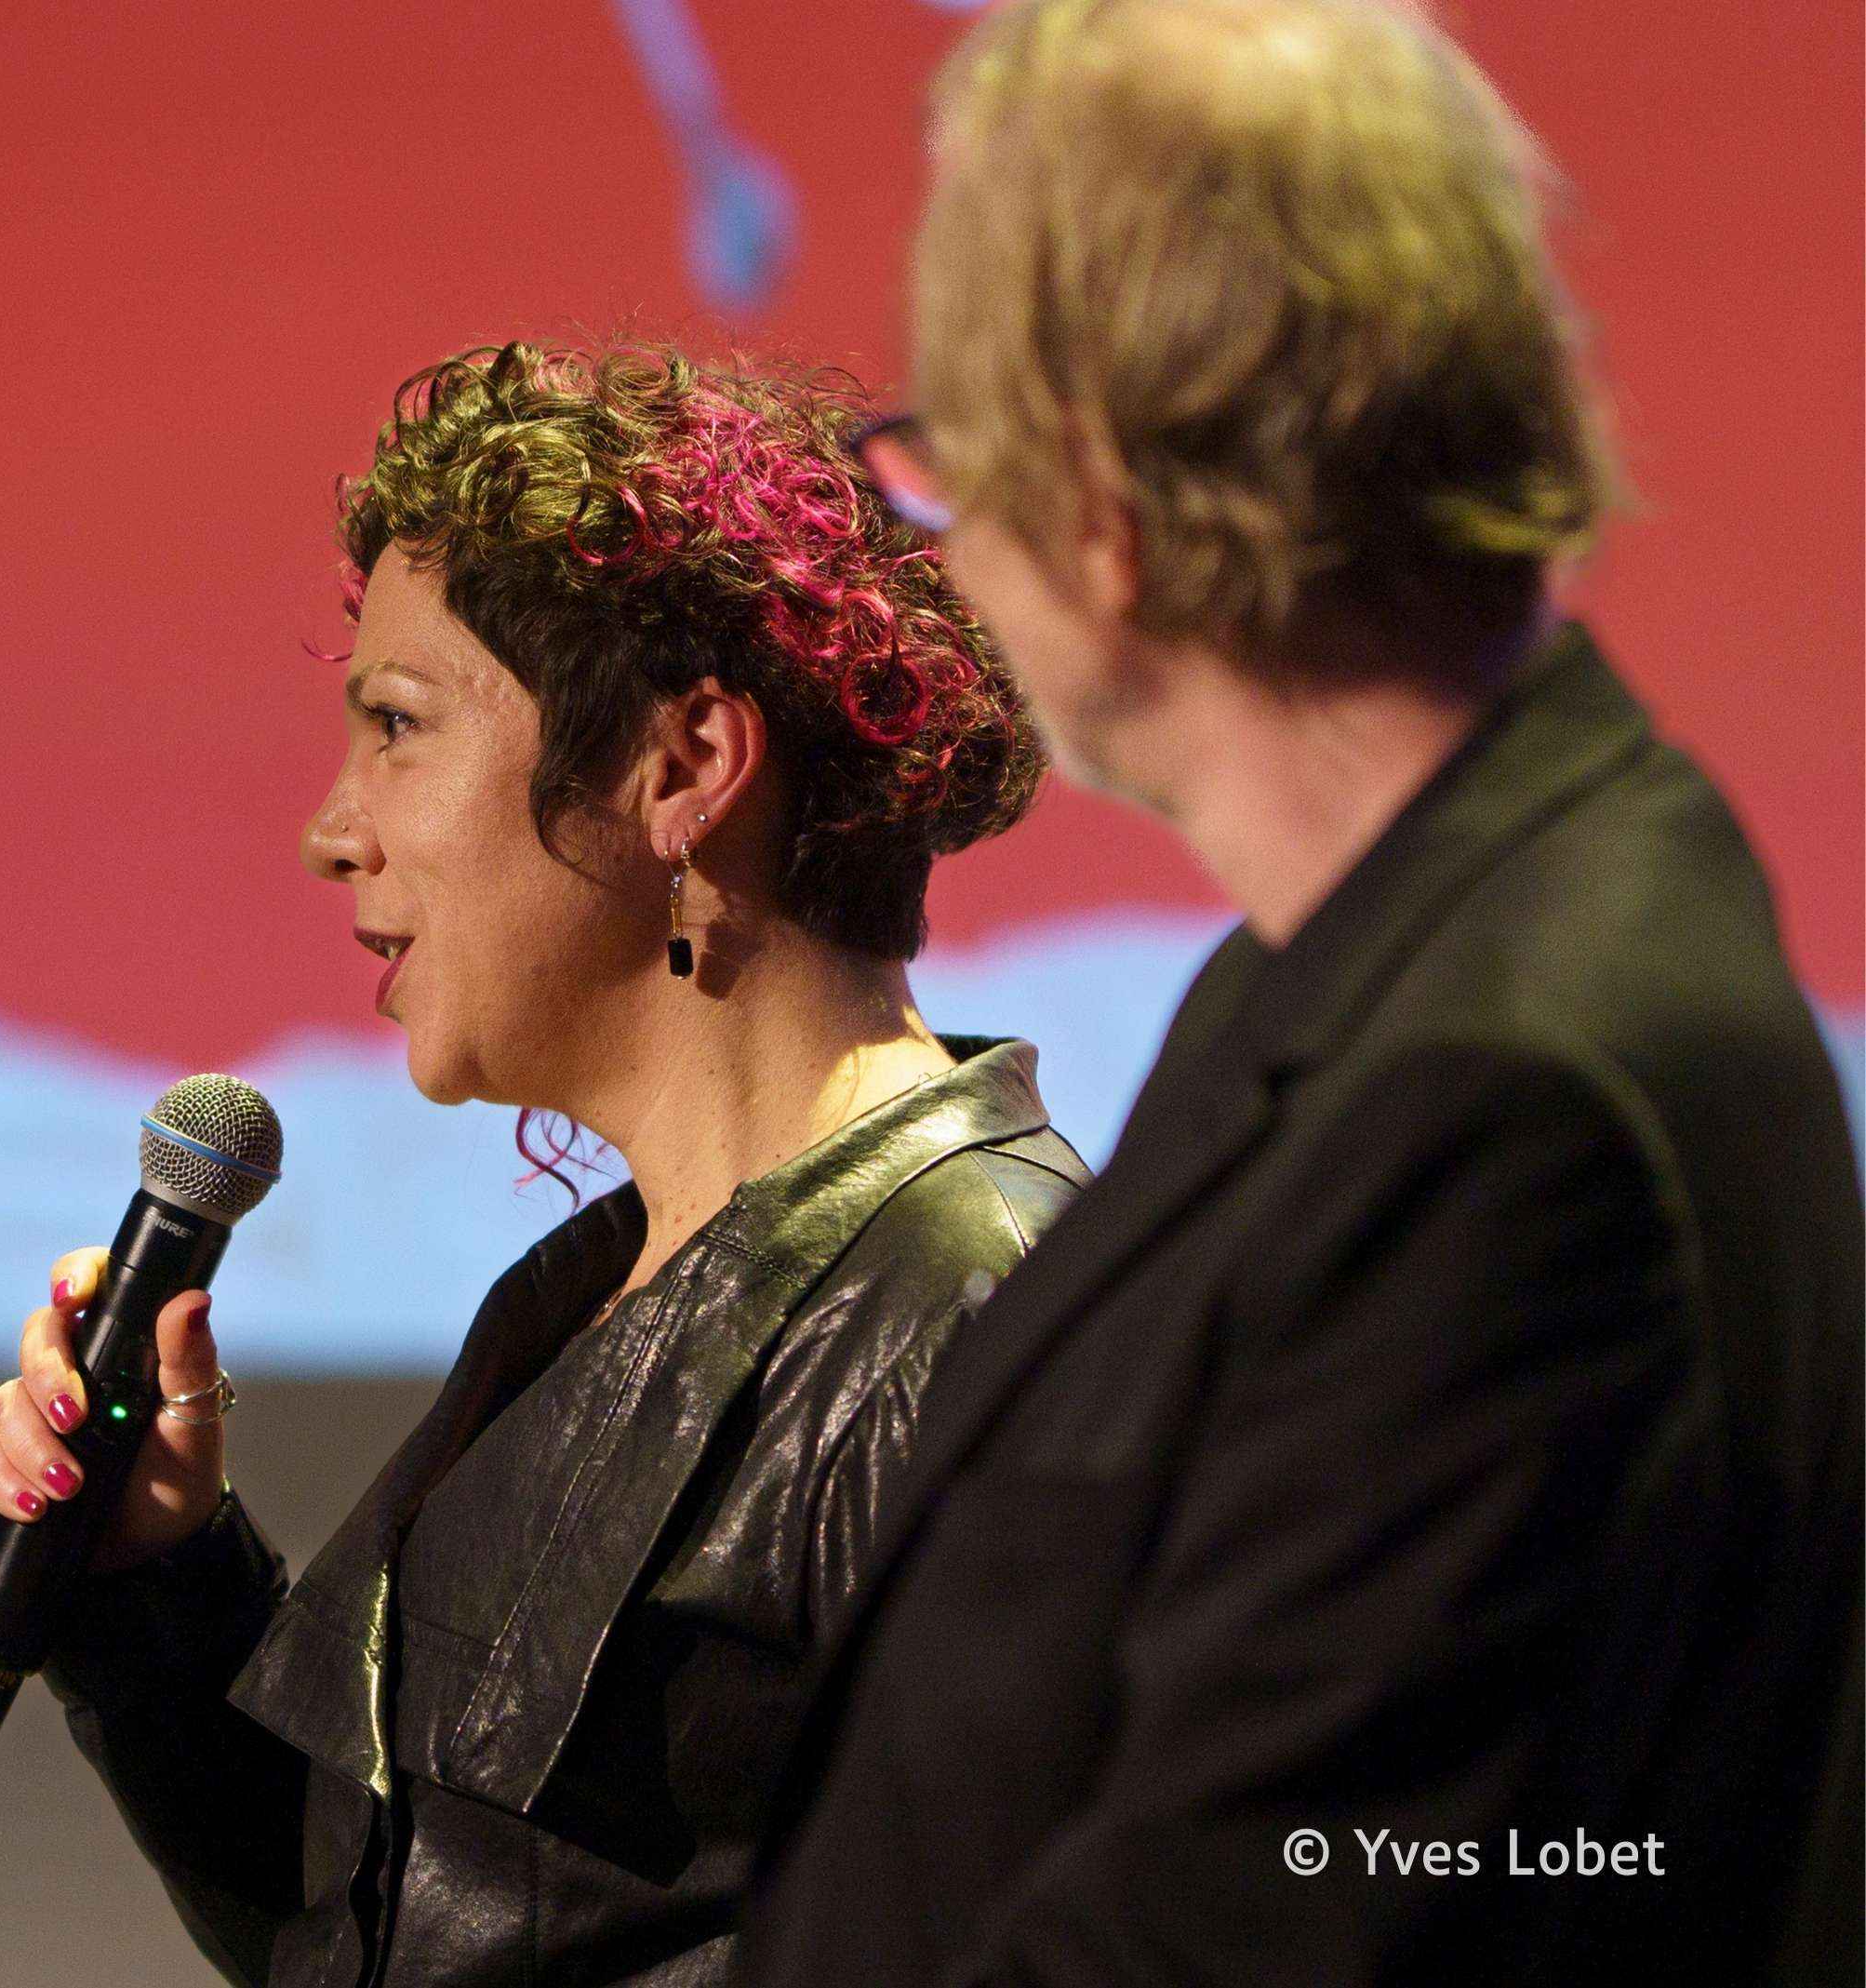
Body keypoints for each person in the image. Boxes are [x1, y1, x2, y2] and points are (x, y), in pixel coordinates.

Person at [741, 4, 1864, 1984]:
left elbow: (1238, 1927)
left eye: (945, 466)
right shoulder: (1394, 952)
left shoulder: (1497, 1095)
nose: (949, 551)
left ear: (1098, 504)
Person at [0, 340, 1086, 1986]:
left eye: (399, 726)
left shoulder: (972, 1310)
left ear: (682, 770)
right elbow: (381, 1931)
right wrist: (154, 1584)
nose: (332, 831)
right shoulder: (582, 1298)